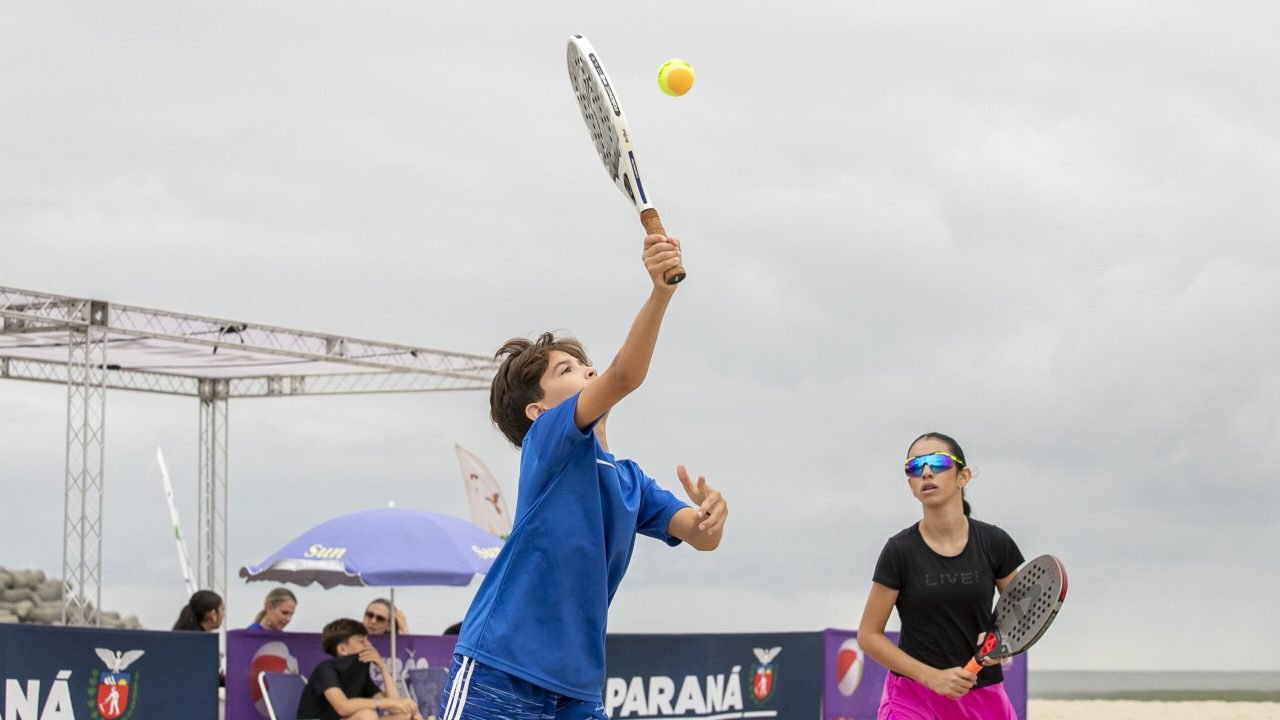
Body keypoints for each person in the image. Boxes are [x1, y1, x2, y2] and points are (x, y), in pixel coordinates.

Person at [440, 233, 729, 720]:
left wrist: (712, 515)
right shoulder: (547, 443)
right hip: (500, 668)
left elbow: (702, 537)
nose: (590, 371)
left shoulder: (631, 483)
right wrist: (660, 293)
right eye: (567, 370)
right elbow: (623, 376)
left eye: (585, 363)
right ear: (538, 411)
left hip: (577, 688)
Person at [857, 432, 1025, 719]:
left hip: (983, 695)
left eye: (937, 462)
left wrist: (1003, 641)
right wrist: (932, 677)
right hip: (912, 698)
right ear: (911, 485)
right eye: (914, 467)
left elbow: (1022, 612)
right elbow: (868, 635)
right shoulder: (899, 551)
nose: (925, 472)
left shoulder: (995, 543)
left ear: (963, 476)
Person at [295, 618, 422, 720]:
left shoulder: (360, 673)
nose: (369, 645)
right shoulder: (326, 670)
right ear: (343, 649)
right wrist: (386, 703)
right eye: (362, 641)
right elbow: (342, 707)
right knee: (366, 715)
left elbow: (395, 708)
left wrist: (382, 666)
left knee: (405, 715)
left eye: (367, 640)